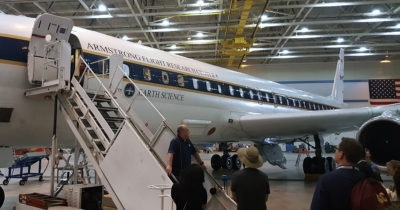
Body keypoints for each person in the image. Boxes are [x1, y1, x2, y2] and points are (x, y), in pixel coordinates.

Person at [311, 138, 364, 210]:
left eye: (336, 149)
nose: (335, 152)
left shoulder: (326, 180)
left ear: (341, 154)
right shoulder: (364, 178)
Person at [231, 146, 270, 210]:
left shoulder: (236, 176)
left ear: (244, 161)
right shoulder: (264, 177)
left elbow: (234, 197)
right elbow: (266, 198)